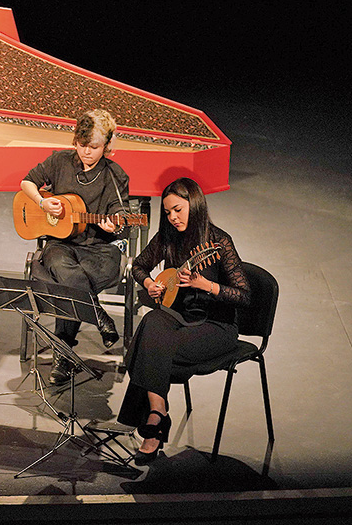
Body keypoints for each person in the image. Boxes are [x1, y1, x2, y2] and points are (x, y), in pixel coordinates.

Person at [116, 177, 251, 465]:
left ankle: (152, 425)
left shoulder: (220, 242)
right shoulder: (168, 239)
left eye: (177, 209)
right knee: (153, 320)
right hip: (180, 318)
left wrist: (207, 286)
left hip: (217, 326)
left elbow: (244, 296)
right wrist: (150, 283)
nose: (172, 217)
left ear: (195, 204)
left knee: (152, 344)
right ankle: (158, 409)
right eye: (167, 213)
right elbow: (138, 265)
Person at [20, 108, 129, 385]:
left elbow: (121, 214)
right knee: (58, 263)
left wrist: (114, 224)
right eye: (81, 145)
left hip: (100, 249)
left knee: (69, 280)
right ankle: (97, 314)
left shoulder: (115, 175)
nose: (86, 152)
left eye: (93, 147)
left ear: (107, 145)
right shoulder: (59, 161)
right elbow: (27, 182)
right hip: (62, 245)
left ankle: (64, 352)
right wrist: (43, 202)